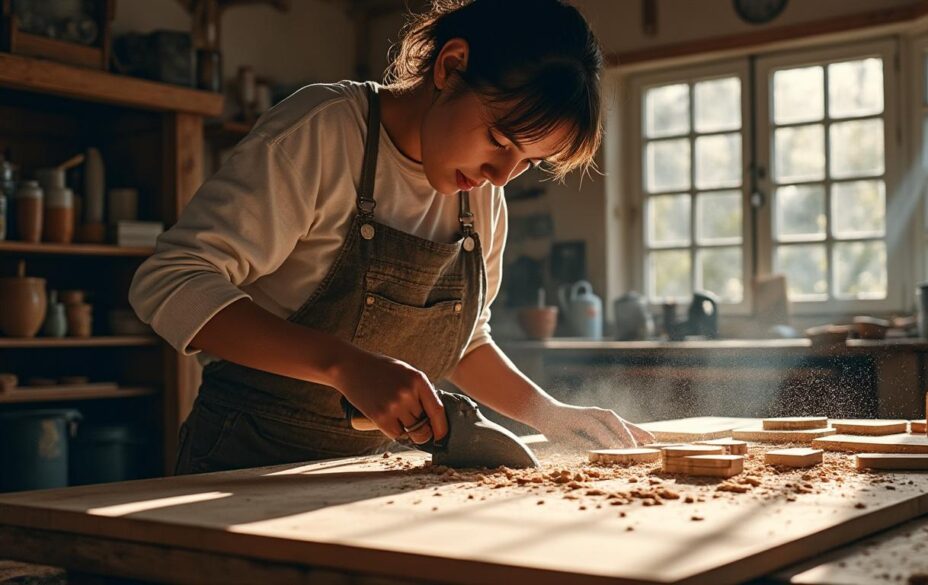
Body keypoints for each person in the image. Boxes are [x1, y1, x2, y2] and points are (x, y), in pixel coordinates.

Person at [129, 0, 654, 475]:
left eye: (527, 162)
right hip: (241, 461)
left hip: (366, 470)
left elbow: (463, 343)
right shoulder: (324, 132)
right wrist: (343, 366)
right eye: (498, 139)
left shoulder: (481, 198)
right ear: (450, 67)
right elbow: (170, 283)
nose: (501, 175)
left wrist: (549, 415)